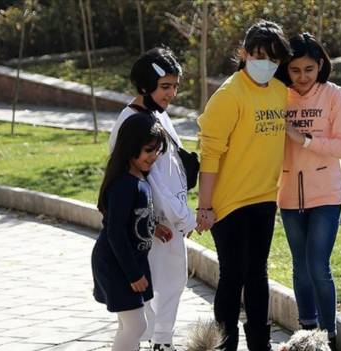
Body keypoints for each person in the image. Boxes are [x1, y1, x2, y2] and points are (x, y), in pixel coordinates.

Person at [195, 20, 291, 351]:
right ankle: (225, 345)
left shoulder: (280, 92)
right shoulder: (229, 95)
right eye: (259, 55)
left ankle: (259, 344)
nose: (266, 63)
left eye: (274, 58)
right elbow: (209, 156)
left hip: (264, 198)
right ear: (244, 53)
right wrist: (204, 206)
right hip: (229, 203)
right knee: (233, 276)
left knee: (258, 275)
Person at [108, 47, 195, 351]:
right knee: (158, 285)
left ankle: (160, 341)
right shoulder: (134, 122)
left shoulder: (157, 114)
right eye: (165, 86)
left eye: (175, 86)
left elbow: (169, 166)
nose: (171, 93)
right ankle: (158, 342)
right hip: (155, 222)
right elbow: (148, 178)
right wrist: (165, 219)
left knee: (172, 282)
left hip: (167, 218)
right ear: (146, 85)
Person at [274, 33, 341, 350]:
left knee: (318, 264)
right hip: (288, 194)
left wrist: (304, 139)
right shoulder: (279, 96)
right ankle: (306, 332)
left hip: (326, 195)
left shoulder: (334, 95)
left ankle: (329, 336)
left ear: (320, 65)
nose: (302, 76)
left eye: (309, 69)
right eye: (295, 70)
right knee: (300, 266)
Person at [92, 113, 168, 351]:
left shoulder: (139, 179)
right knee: (136, 325)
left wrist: (153, 228)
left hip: (127, 260)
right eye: (148, 150)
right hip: (117, 263)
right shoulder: (124, 184)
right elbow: (115, 231)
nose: (153, 156)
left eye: (157, 151)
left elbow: (131, 219)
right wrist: (133, 274)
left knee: (130, 325)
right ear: (130, 147)